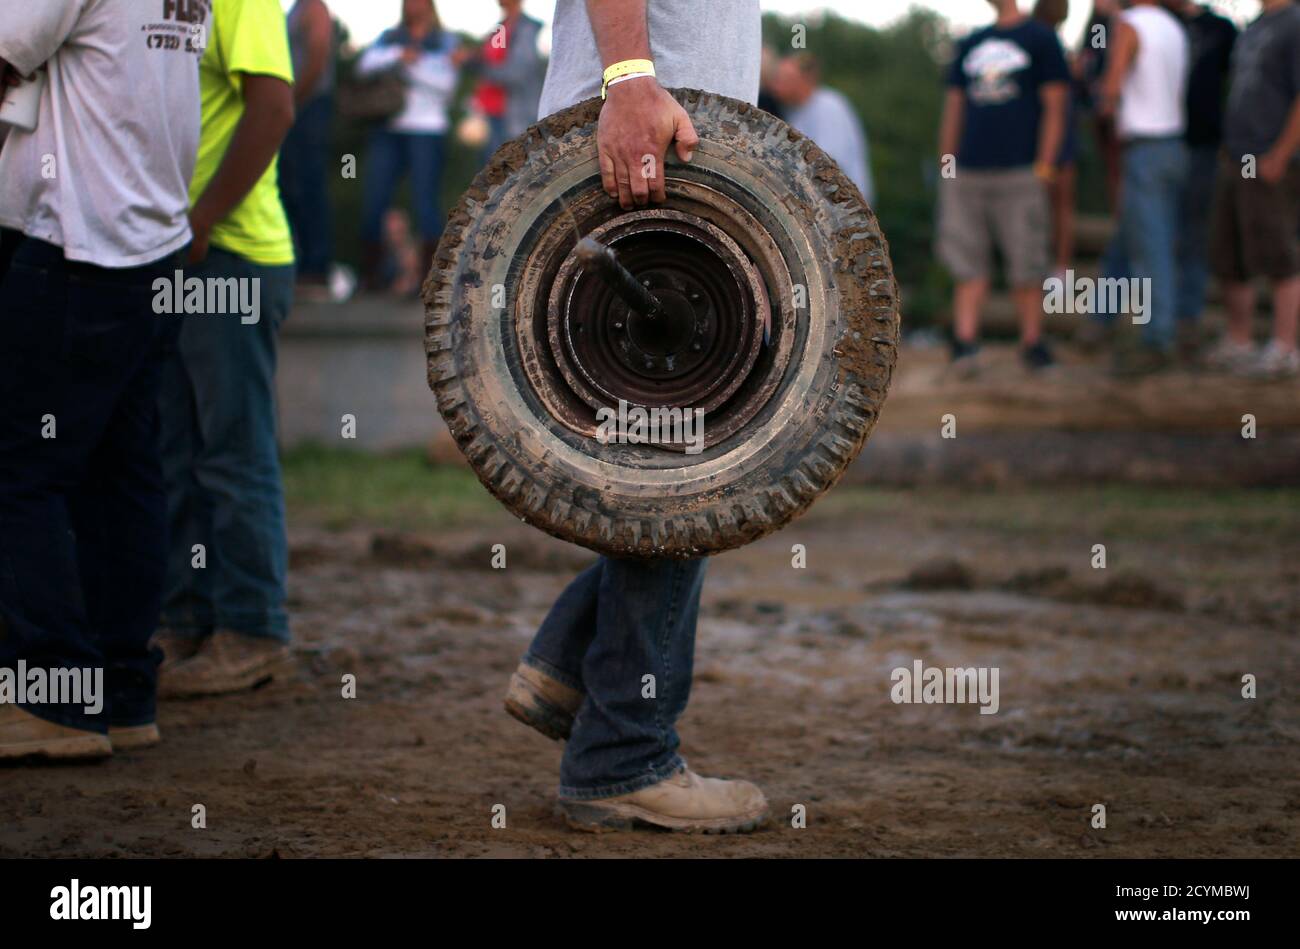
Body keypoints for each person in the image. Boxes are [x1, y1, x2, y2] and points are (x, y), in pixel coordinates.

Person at [507, 0, 769, 834]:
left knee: (678, 451)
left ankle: (567, 663)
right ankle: (623, 758)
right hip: (643, 142)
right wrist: (628, 83)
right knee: (688, 458)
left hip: (676, 137)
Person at [0, 0, 200, 758]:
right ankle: (120, 692)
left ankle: (51, 692)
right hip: (152, 242)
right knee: (121, 474)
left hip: (76, 245)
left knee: (20, 470)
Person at [154, 0, 298, 698]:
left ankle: (252, 631)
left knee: (231, 449)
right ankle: (184, 621)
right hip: (177, 252)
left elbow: (273, 108)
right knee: (174, 448)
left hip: (230, 254)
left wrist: (203, 218)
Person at [936, 0, 1070, 375]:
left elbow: (1056, 106)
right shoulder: (970, 42)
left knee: (1026, 259)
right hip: (968, 172)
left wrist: (1044, 166)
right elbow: (954, 105)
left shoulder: (1040, 39)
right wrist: (947, 162)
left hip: (1020, 170)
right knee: (966, 260)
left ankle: (1032, 344)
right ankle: (965, 345)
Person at [1205, 0, 1300, 378]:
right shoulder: (1256, 26)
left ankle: (1284, 347)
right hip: (1237, 155)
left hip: (1270, 156)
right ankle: (1240, 341)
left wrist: (1280, 154)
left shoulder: (1294, 22)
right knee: (1230, 253)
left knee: (1278, 252)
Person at [1096, 0, 1189, 375]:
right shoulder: (1173, 27)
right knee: (1134, 236)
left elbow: (1112, 87)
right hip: (1173, 147)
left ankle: (1159, 339)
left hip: (1144, 149)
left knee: (1151, 246)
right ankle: (1100, 319)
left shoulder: (1130, 24)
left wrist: (1101, 98)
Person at [357, 0, 458, 293]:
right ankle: (371, 276)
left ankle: (429, 278)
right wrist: (400, 55)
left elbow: (446, 85)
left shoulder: (445, 40)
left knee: (425, 201)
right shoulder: (390, 38)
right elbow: (364, 65)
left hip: (428, 129)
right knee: (375, 198)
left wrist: (412, 68)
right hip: (389, 127)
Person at [1163, 0, 1236, 361]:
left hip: (1203, 147)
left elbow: (1237, 84)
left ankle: (1186, 320)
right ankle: (1133, 320)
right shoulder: (1152, 20)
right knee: (1148, 232)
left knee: (1193, 233)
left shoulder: (1221, 29)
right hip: (1159, 143)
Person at [280, 0, 351, 303]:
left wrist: (293, 98)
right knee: (291, 184)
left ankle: (316, 267)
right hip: (301, 105)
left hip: (310, 105)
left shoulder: (314, 8)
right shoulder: (295, 10)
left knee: (307, 183)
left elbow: (318, 53)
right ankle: (302, 264)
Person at [770, 52, 876, 205]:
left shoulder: (828, 106)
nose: (776, 86)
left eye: (783, 79)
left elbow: (828, 161)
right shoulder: (796, 112)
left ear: (804, 79)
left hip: (844, 209)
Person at [456, 0, 545, 160]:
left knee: (506, 175)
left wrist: (480, 66)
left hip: (511, 117)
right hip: (488, 114)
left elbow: (517, 73)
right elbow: (491, 61)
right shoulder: (500, 29)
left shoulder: (527, 29)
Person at [1033, 0, 1080, 280]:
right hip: (1049, 138)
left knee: (1058, 204)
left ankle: (1059, 267)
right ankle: (1056, 267)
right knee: (1058, 205)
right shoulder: (1051, 46)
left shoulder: (1056, 48)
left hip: (1056, 139)